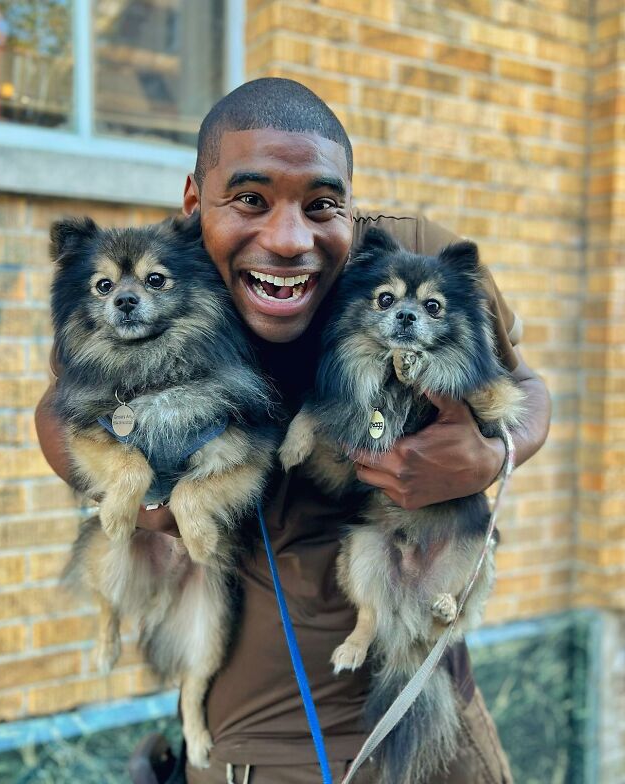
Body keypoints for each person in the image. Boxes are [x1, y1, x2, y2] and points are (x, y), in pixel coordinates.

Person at [35, 78, 550, 784]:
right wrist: (142, 492)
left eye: (321, 205)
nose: (287, 239)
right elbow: (57, 411)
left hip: (429, 732)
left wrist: (490, 456)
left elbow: (525, 386)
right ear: (195, 202)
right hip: (255, 751)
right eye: (250, 199)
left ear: (350, 203)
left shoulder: (410, 256)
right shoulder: (160, 283)